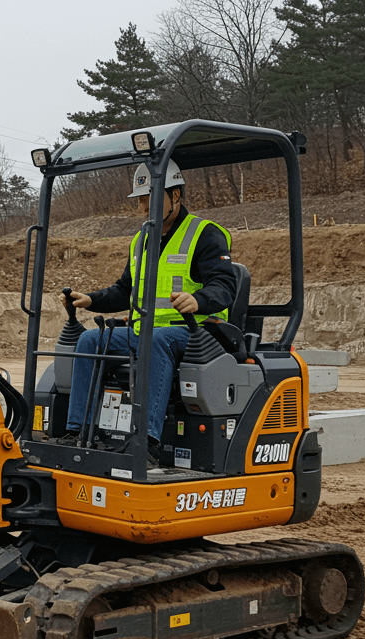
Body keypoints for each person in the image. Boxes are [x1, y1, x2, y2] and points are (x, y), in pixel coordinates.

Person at [58, 159, 237, 459]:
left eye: (150, 196)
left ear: (175, 196)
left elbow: (225, 286)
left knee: (157, 342)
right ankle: (78, 431)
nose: (143, 205)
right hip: (146, 332)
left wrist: (198, 300)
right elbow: (124, 291)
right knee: (89, 340)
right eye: (140, 198)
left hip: (195, 335)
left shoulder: (205, 234)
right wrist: (90, 300)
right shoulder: (142, 239)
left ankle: (147, 442)